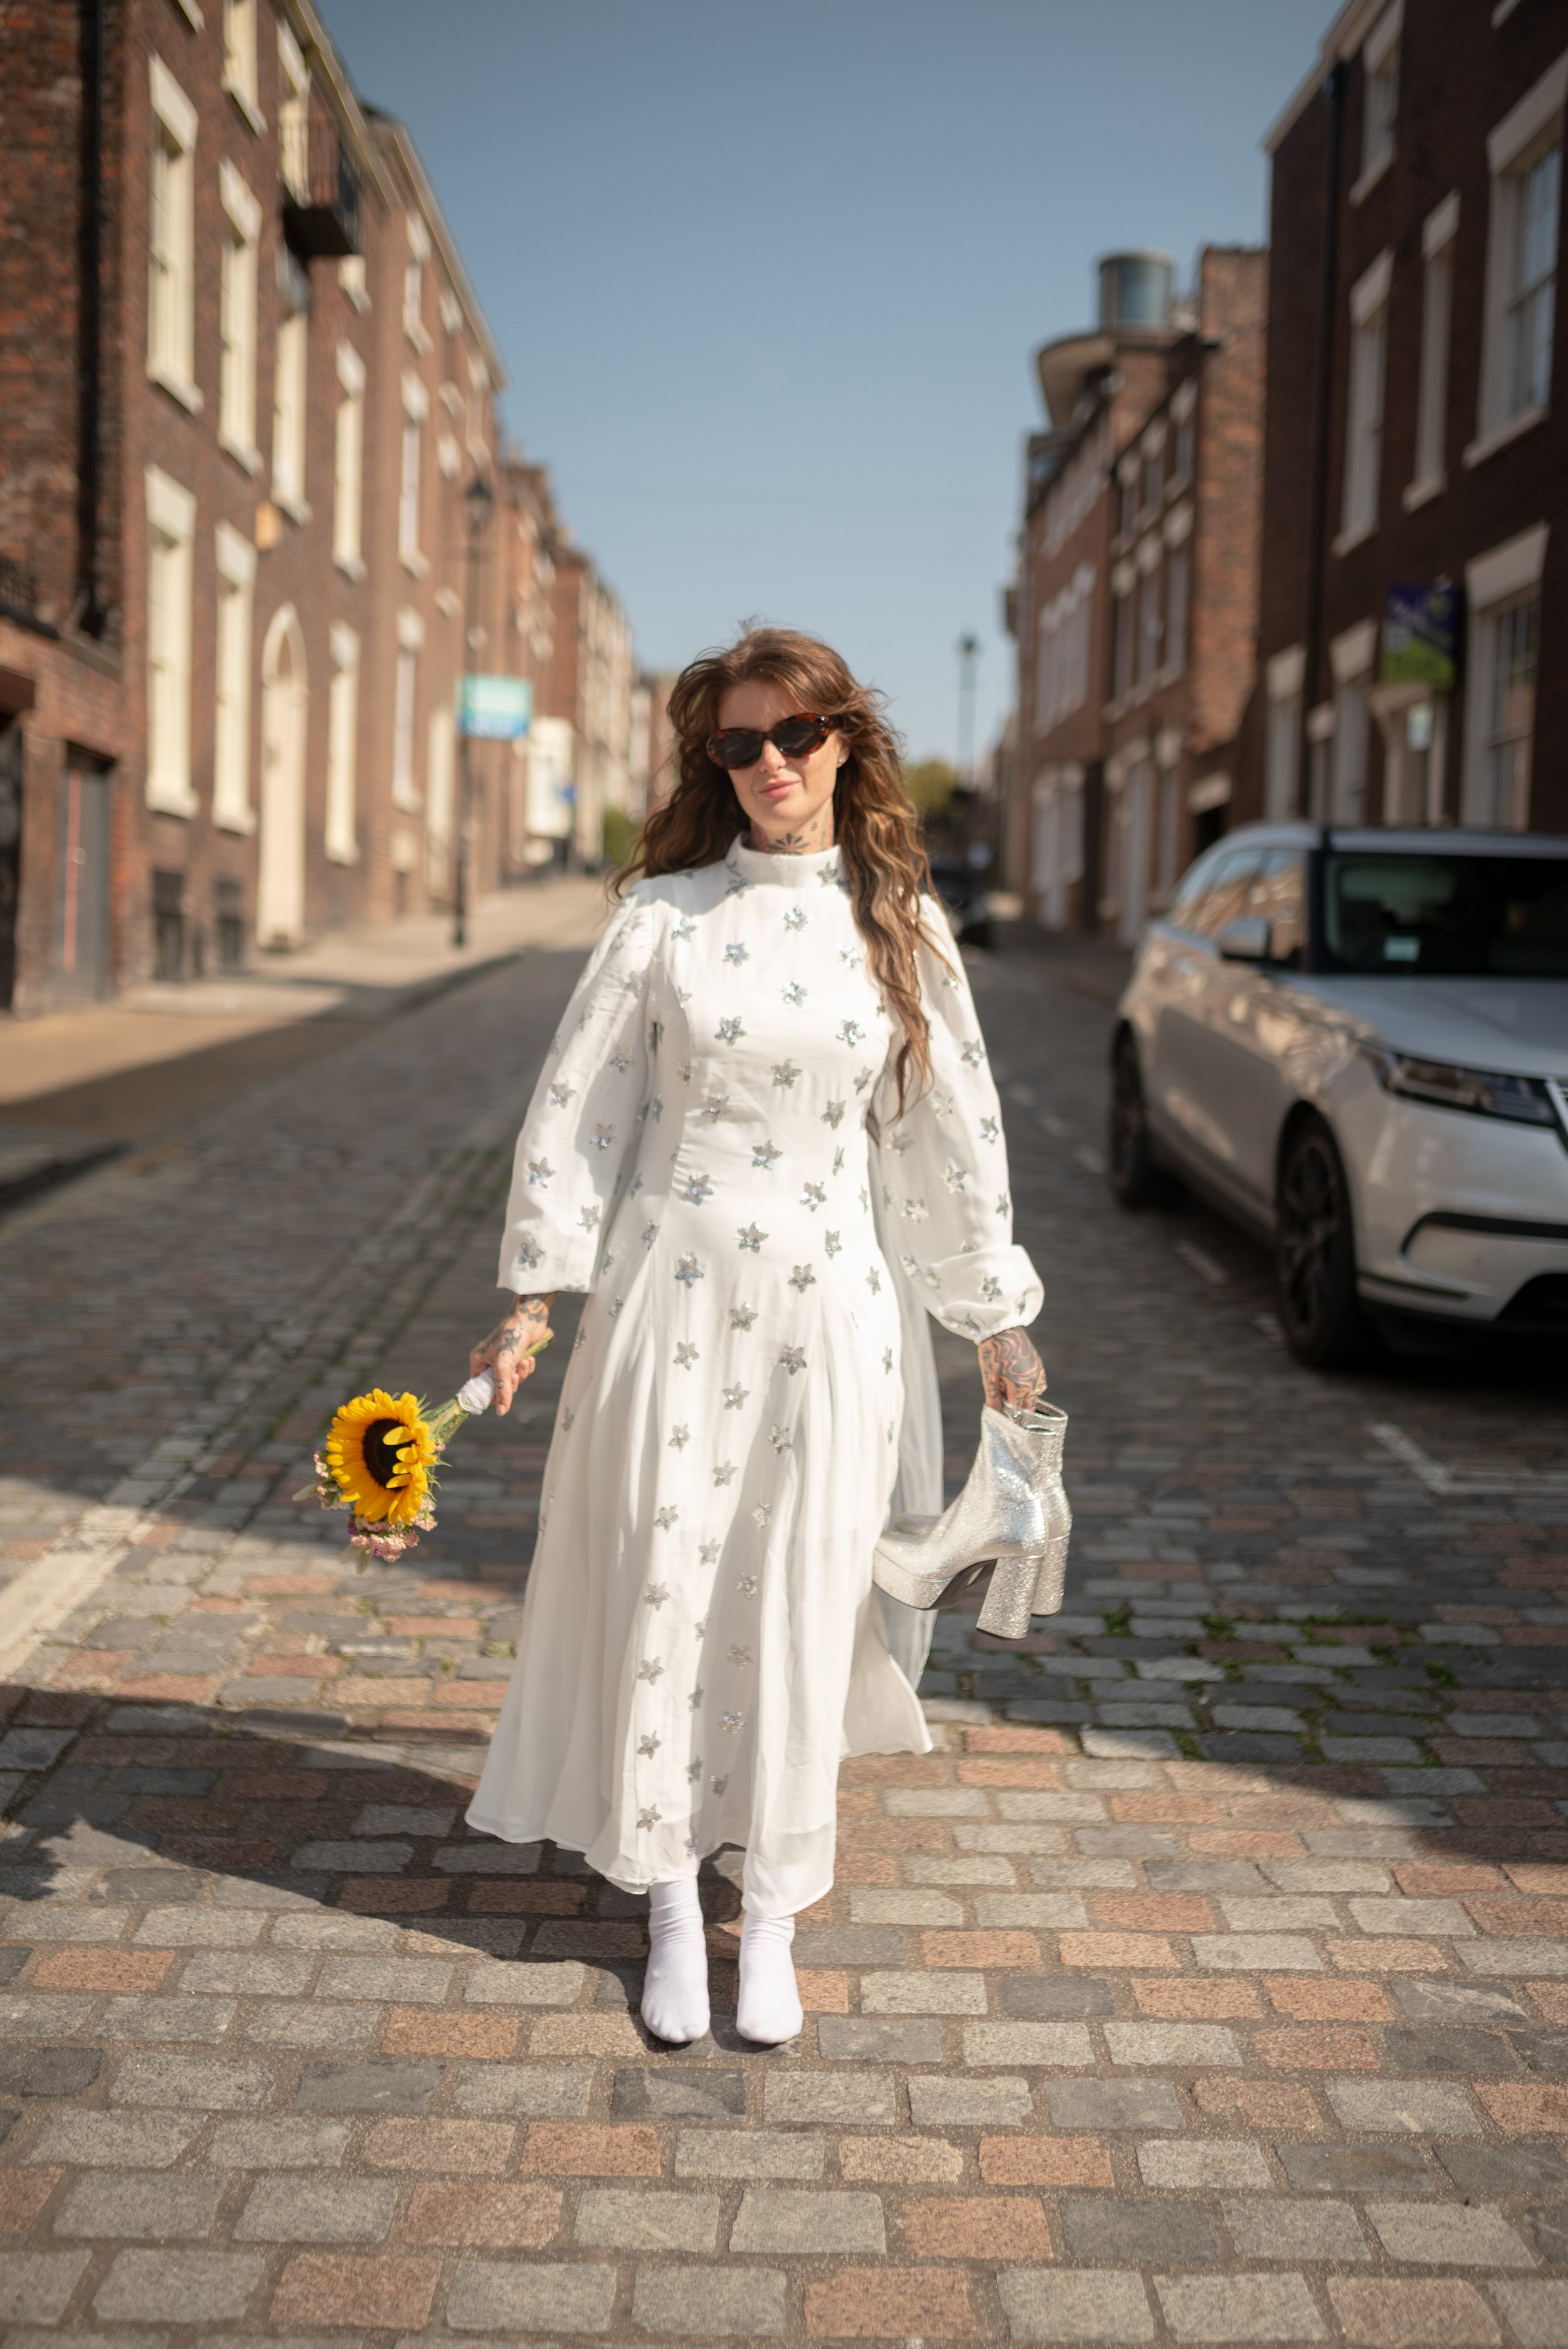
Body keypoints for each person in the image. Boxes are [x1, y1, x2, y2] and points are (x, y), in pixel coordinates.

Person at [465, 625, 1046, 2046]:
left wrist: (994, 1321)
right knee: (665, 1572)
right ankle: (668, 1897)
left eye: (795, 735)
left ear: (844, 742)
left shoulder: (897, 926)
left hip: (830, 1307)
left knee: (799, 1588)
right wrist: (533, 1298)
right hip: (668, 1301)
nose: (770, 764)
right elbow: (582, 1114)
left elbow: (942, 1140)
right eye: (739, 744)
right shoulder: (658, 919)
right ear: (711, 764)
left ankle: (772, 1909)